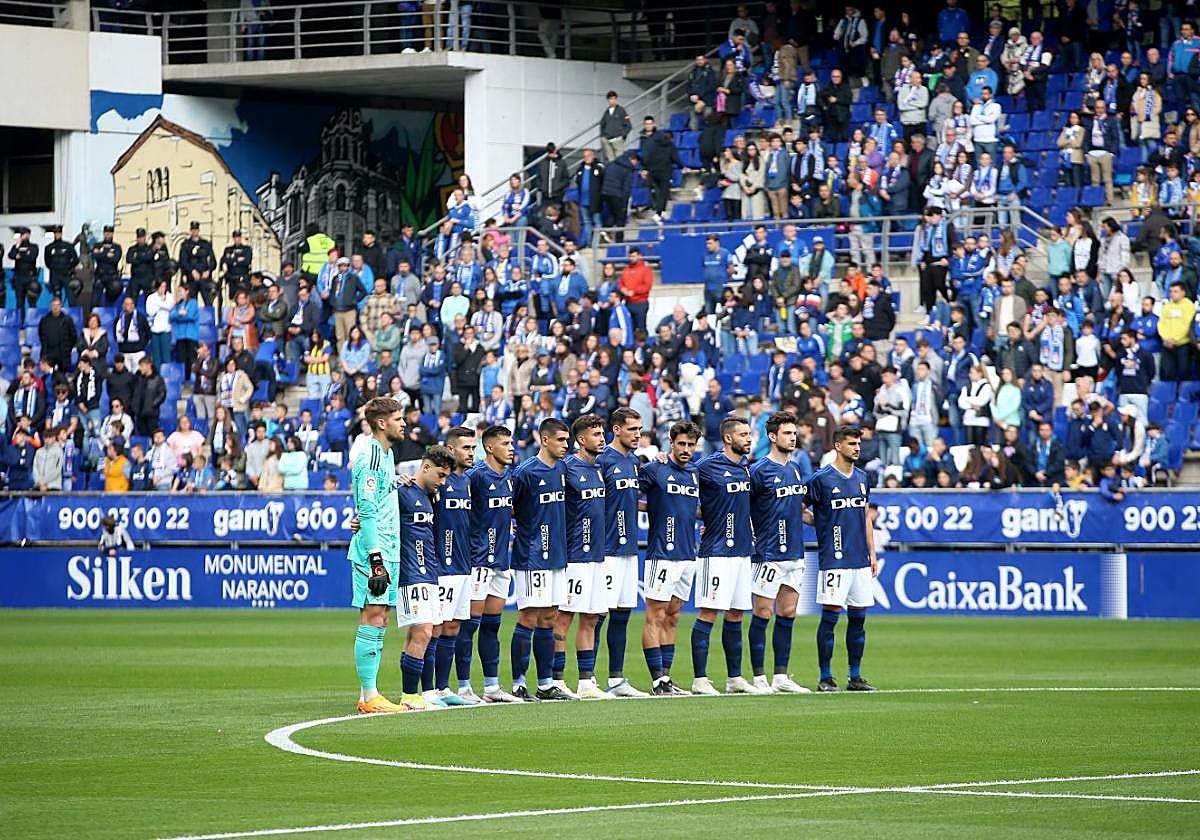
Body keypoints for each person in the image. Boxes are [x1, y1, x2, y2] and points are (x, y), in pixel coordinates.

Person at [689, 416, 764, 696]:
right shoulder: (707, 467)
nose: (749, 438)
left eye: (749, 434)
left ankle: (734, 678)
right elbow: (685, 492)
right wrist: (707, 517)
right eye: (743, 434)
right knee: (709, 612)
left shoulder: (746, 467)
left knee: (736, 614)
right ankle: (700, 679)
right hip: (717, 550)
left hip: (743, 551)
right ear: (728, 438)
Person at [802, 425, 878, 692]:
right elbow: (798, 507)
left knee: (859, 618)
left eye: (858, 443)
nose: (857, 448)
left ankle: (855, 676)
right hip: (834, 558)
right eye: (851, 443)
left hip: (859, 559)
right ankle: (825, 677)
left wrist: (872, 552)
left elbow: (865, 515)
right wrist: (820, 524)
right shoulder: (821, 479)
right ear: (837, 446)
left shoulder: (862, 477)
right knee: (831, 617)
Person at [345, 397, 409, 714]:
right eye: (399, 418)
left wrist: (399, 481)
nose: (404, 423)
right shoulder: (369, 457)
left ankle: (368, 694)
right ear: (381, 423)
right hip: (376, 551)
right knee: (373, 616)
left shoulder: (386, 455)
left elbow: (377, 497)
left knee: (382, 618)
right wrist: (375, 558)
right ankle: (370, 695)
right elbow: (367, 511)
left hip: (388, 547)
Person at [746, 413, 813, 694]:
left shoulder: (796, 469)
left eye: (794, 433)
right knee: (763, 613)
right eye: (787, 433)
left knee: (788, 613)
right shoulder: (759, 470)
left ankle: (781, 676)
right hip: (769, 552)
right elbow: (744, 505)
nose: (793, 437)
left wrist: (815, 519)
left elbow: (796, 507)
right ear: (773, 437)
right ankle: (759, 677)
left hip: (795, 553)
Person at [508, 418, 574, 701]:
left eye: (567, 440)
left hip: (558, 554)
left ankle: (546, 683)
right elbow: (508, 506)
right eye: (561, 440)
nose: (565, 445)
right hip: (531, 555)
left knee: (550, 617)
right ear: (544, 440)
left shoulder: (562, 468)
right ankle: (518, 683)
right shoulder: (525, 472)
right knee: (530, 617)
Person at [550, 414, 613, 700]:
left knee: (593, 617)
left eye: (602, 433)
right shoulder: (566, 468)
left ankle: (586, 682)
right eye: (596, 434)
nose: (602, 438)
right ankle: (556, 679)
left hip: (597, 558)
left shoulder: (598, 468)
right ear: (581, 439)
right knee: (563, 619)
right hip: (575, 556)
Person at [639, 420, 701, 696]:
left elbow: (695, 510)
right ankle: (656, 681)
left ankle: (667, 678)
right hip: (662, 554)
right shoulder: (654, 470)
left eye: (691, 445)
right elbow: (627, 495)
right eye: (682, 444)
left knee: (674, 616)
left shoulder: (696, 475)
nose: (686, 449)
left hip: (688, 555)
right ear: (671, 443)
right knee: (655, 615)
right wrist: (651, 508)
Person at [463, 425, 521, 704]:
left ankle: (491, 687)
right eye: (506, 443)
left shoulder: (511, 476)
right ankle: (462, 687)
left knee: (491, 626)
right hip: (478, 560)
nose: (511, 448)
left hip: (501, 560)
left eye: (512, 443)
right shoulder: (475, 477)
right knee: (469, 625)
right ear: (489, 447)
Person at [394, 445, 455, 710]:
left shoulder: (429, 496)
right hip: (410, 572)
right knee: (423, 631)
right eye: (440, 475)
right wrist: (358, 521)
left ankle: (413, 694)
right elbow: (374, 514)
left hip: (429, 572)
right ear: (425, 467)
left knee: (419, 634)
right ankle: (409, 695)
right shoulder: (402, 493)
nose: (442, 482)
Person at [430, 427, 478, 707]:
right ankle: (428, 691)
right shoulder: (439, 481)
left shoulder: (467, 482)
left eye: (473, 448)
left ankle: (444, 687)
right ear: (450, 449)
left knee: (454, 627)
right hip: (442, 566)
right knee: (437, 626)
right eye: (466, 448)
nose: (471, 453)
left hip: (463, 565)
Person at [599, 91, 631, 162]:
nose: (612, 101)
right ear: (608, 100)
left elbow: (628, 125)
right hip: (607, 140)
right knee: (611, 162)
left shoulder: (621, 110)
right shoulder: (606, 112)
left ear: (616, 99)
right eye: (611, 99)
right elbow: (602, 124)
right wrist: (602, 137)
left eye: (614, 99)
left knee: (619, 161)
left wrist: (622, 136)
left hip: (617, 140)